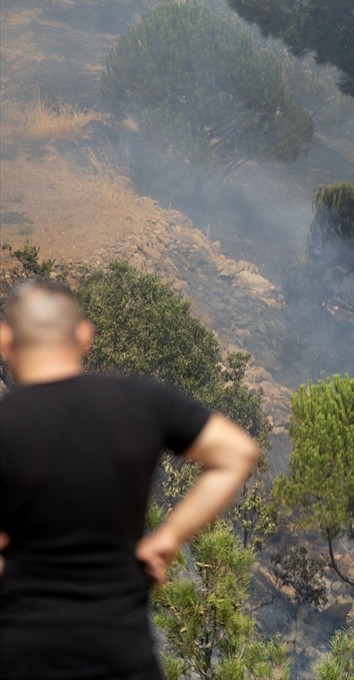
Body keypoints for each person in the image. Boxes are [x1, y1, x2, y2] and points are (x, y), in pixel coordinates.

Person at [0, 278, 260, 680]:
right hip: (122, 654)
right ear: (84, 335)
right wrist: (168, 537)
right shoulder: (140, 400)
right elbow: (236, 453)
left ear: (5, 340)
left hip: (22, 656)